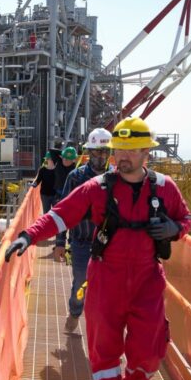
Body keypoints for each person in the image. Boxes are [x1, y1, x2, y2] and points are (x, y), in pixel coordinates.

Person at [4, 117, 191, 380]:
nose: (123, 156)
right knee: (103, 353)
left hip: (147, 280)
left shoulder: (164, 188)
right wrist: (28, 235)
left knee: (149, 351)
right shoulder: (99, 187)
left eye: (131, 151)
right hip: (106, 278)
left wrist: (174, 229)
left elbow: (185, 217)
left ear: (146, 152)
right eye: (118, 149)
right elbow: (61, 213)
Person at [56, 128, 113, 333]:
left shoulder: (116, 178)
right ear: (89, 152)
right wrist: (60, 243)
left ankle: (100, 327)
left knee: (107, 289)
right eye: (97, 152)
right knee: (81, 283)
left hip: (109, 245)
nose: (101, 156)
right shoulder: (76, 177)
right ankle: (74, 312)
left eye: (105, 152)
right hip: (81, 242)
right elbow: (62, 211)